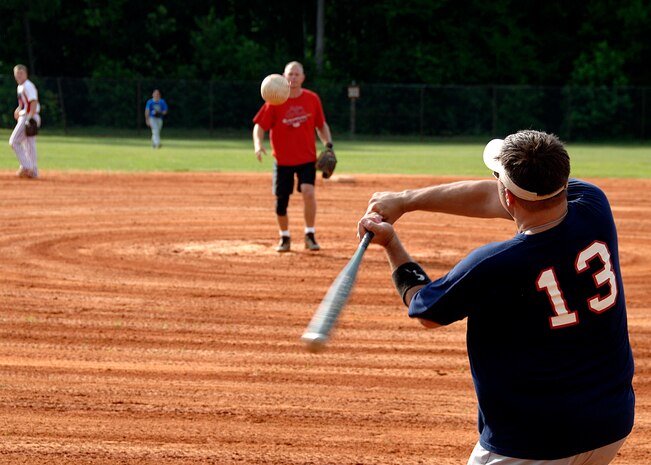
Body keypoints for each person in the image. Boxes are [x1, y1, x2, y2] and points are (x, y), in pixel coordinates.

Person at [358, 130, 634, 465]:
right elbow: (496, 196)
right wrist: (405, 200)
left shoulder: (494, 264)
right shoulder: (593, 204)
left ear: (509, 197)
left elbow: (425, 308)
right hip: (610, 423)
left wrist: (390, 244)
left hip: (529, 444)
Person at [252, 61, 333, 252]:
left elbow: (321, 125)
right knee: (281, 202)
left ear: (303, 77)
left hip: (306, 158)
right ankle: (285, 237)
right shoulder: (275, 101)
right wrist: (257, 145)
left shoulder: (312, 99)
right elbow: (259, 126)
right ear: (283, 77)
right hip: (282, 160)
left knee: (308, 191)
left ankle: (310, 235)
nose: (294, 77)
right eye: (290, 74)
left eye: (297, 74)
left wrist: (328, 145)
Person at [9, 64, 40, 178]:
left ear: (26, 74)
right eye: (17, 74)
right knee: (29, 144)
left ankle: (26, 166)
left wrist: (29, 118)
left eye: (21, 73)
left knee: (14, 141)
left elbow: (33, 102)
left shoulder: (28, 85)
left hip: (29, 116)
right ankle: (34, 171)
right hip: (26, 115)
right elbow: (24, 104)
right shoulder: (20, 87)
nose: (19, 76)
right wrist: (18, 110)